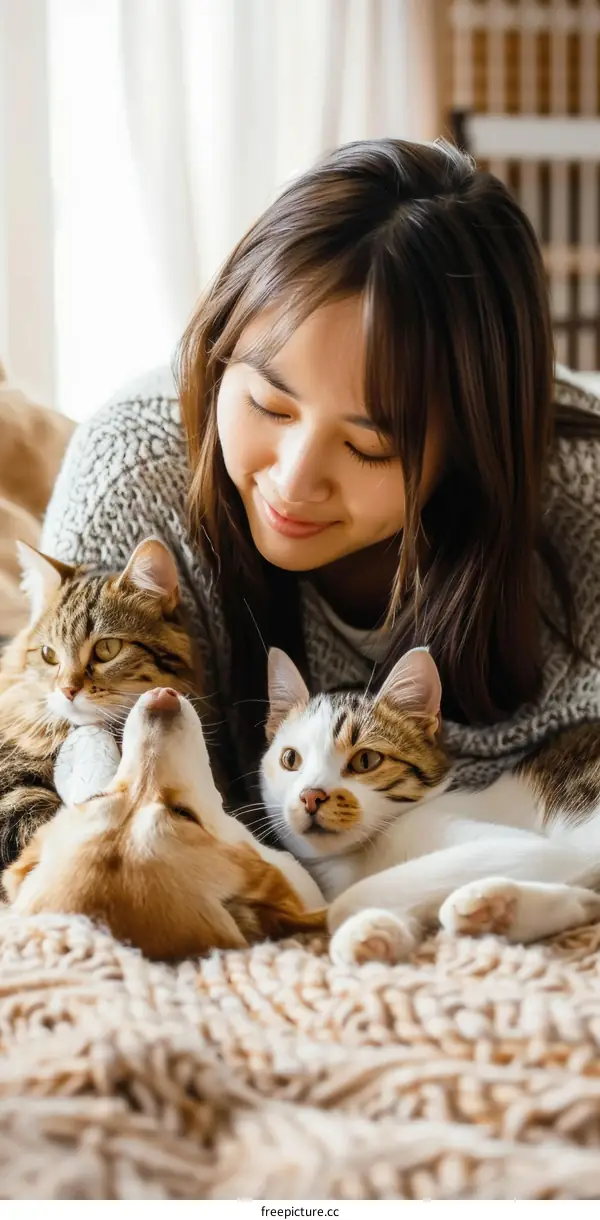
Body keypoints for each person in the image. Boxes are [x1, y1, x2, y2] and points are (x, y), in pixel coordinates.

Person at [43, 137, 600, 824]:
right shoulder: (133, 472)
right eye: (269, 406)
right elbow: (46, 764)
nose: (294, 480)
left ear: (470, 449)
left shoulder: (583, 501)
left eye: (368, 446)